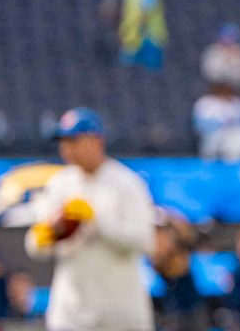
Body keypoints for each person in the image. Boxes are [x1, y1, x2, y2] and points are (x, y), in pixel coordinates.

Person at [25, 108, 155, 331]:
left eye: (73, 140)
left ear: (96, 140)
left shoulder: (126, 183)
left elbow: (144, 241)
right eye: (63, 141)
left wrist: (96, 221)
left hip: (119, 314)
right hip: (71, 313)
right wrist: (52, 232)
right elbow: (34, 246)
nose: (66, 148)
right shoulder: (60, 184)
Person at [201, 22, 240, 94]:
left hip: (235, 92)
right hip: (215, 91)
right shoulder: (213, 52)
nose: (229, 43)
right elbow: (210, 73)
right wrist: (225, 60)